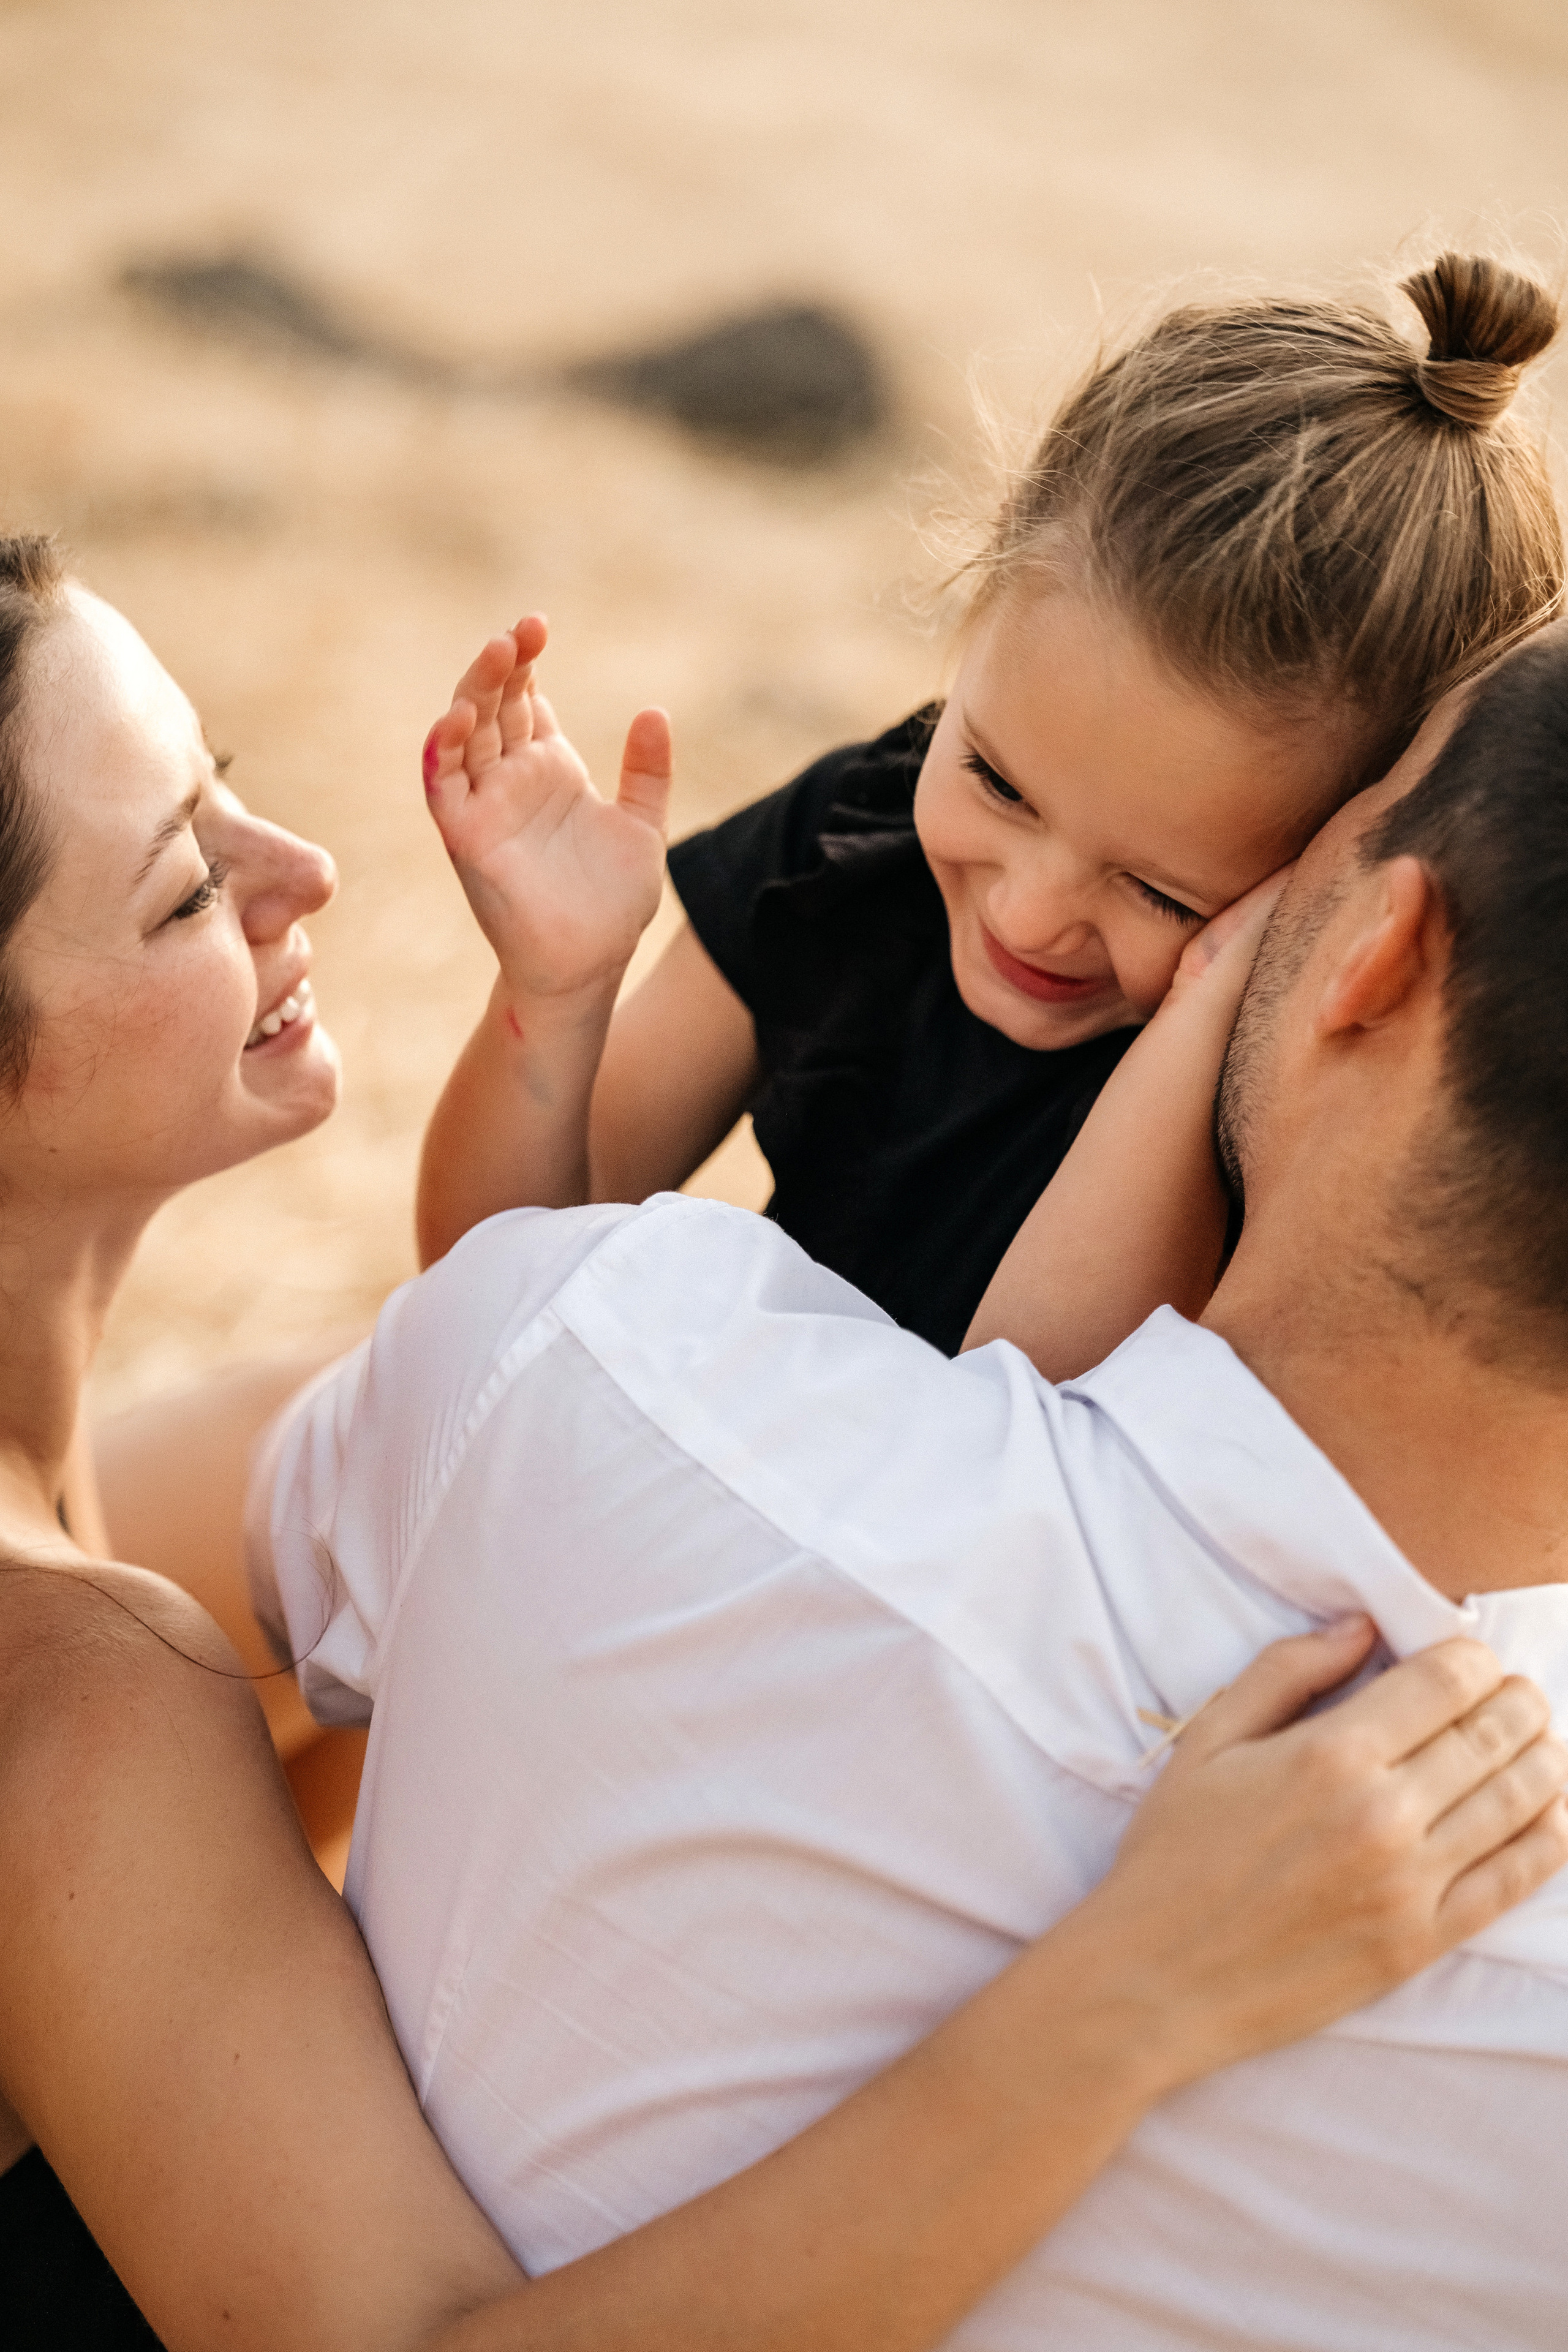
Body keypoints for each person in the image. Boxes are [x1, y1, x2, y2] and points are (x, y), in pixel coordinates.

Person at [2, 543, 1550, 2352]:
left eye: (235, 780)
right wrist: (1130, 1997)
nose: (312, 870)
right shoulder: (82, 1688)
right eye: (188, 888)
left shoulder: (207, 1513)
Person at [415, 251, 1563, 1350]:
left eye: (1162, 893)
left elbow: (1024, 1449)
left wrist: (1203, 1013)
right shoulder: (857, 842)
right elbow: (484, 1281)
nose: (1027, 912)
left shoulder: (1296, 1103)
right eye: (996, 780)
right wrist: (556, 990)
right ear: (968, 636)